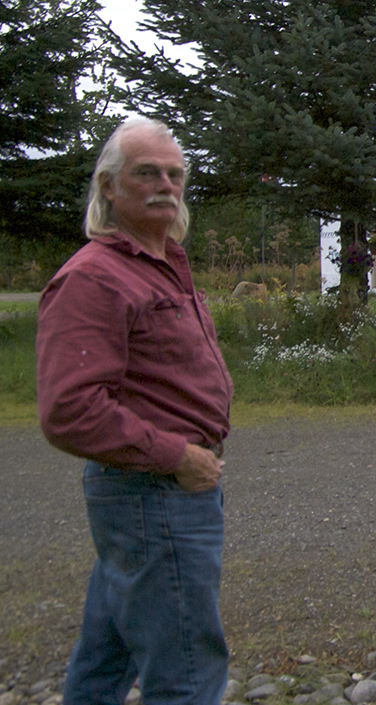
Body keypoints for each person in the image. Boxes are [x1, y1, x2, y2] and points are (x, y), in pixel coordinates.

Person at [36, 118, 233, 705]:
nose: (166, 186)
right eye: (147, 173)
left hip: (157, 497)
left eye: (175, 175)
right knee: (187, 672)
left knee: (105, 663)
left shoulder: (159, 263)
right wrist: (178, 456)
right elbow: (71, 409)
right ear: (109, 186)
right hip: (151, 494)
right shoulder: (94, 278)